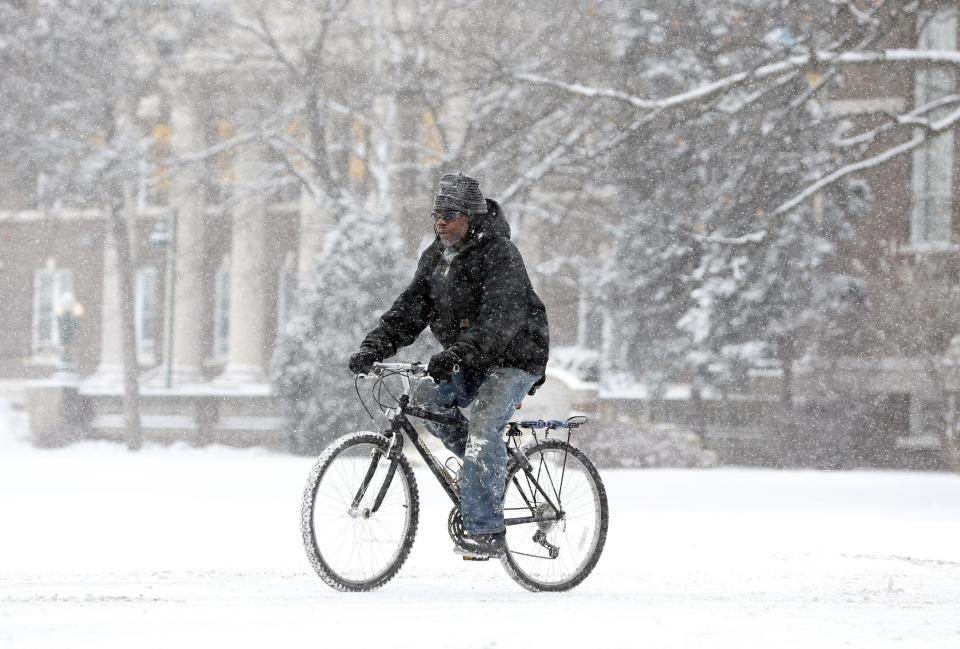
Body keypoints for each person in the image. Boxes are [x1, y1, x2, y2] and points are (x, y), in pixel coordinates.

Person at [348, 172, 549, 558]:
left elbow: (500, 321)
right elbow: (409, 312)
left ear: (471, 216)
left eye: (451, 213)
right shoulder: (435, 258)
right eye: (436, 213)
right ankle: (484, 473)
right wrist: (373, 348)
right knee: (427, 398)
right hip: (471, 357)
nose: (440, 221)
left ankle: (486, 529)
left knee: (484, 428)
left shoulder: (500, 254)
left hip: (515, 357)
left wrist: (457, 352)